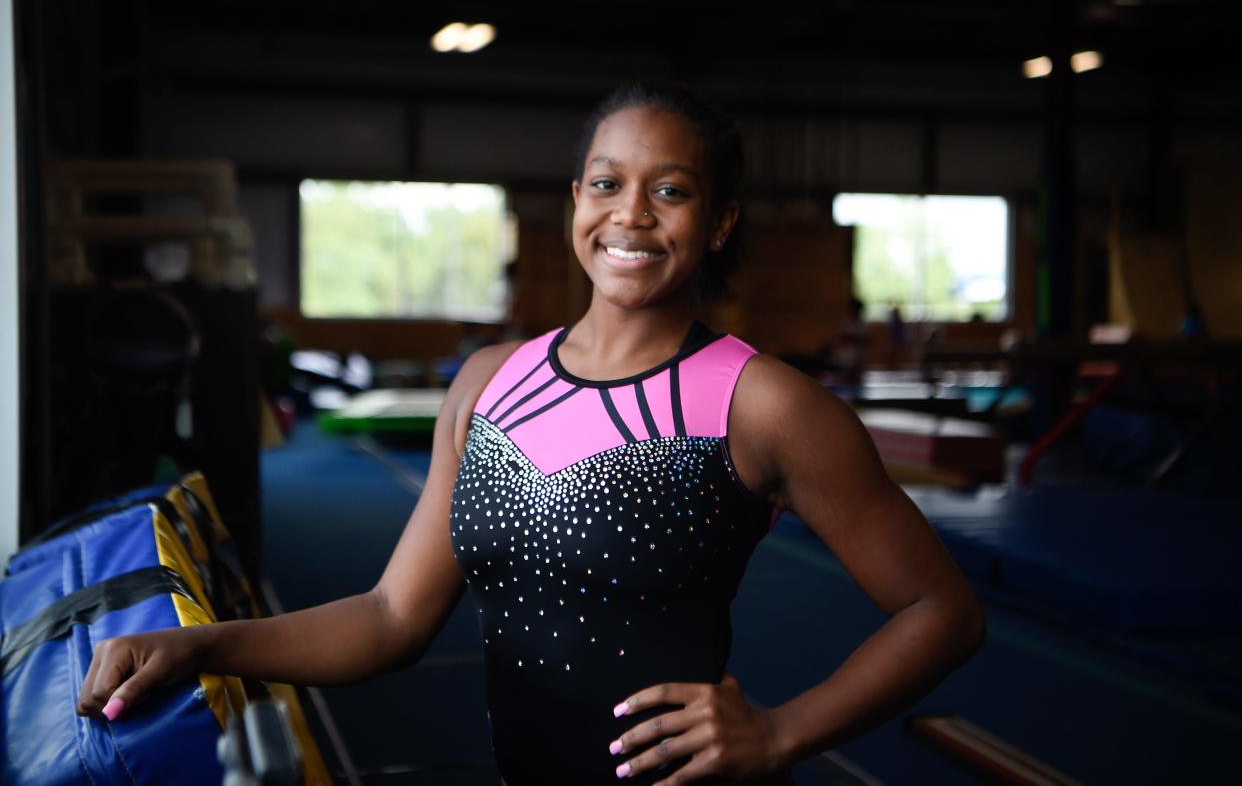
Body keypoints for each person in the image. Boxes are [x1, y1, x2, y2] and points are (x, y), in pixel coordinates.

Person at [77, 83, 985, 785]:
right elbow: (390, 616)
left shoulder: (762, 404)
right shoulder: (487, 381)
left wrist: (783, 729)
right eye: (607, 183)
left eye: (670, 190)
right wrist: (204, 642)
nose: (631, 213)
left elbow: (942, 609)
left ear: (719, 222)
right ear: (575, 201)